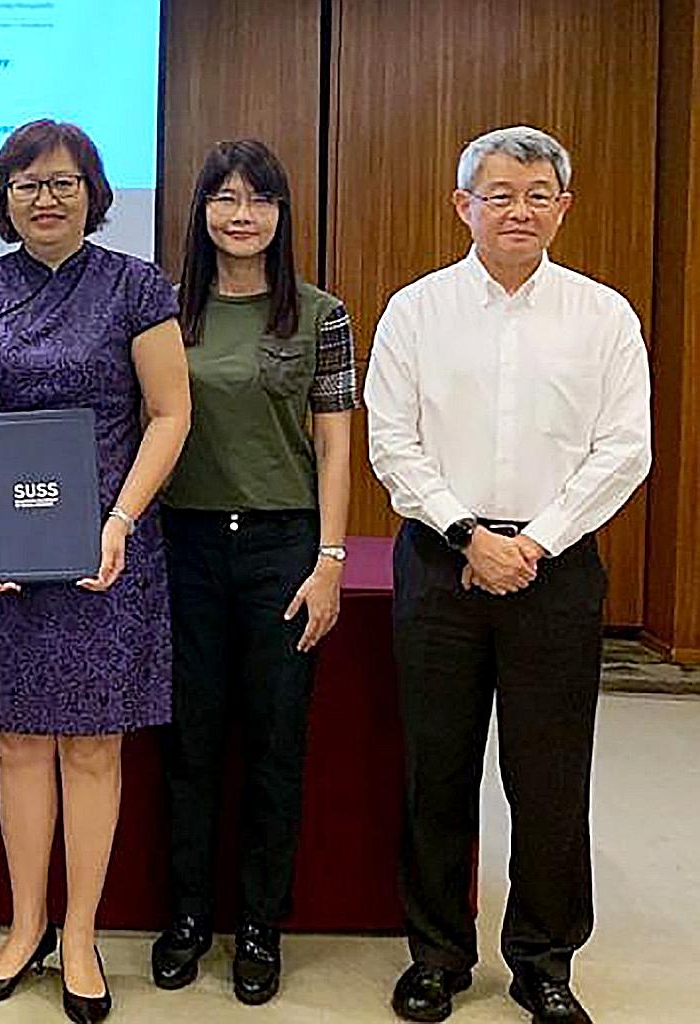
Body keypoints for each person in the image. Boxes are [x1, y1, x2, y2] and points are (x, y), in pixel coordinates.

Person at [366, 126, 650, 1024]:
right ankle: (438, 955)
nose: (517, 209)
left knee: (549, 774)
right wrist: (466, 534)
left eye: (536, 194)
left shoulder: (603, 316)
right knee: (436, 770)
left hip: (555, 570)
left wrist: (537, 541)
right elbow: (391, 441)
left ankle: (542, 958)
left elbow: (624, 449)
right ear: (464, 207)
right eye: (498, 194)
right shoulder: (415, 311)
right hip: (440, 562)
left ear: (562, 208)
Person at [0, 120, 191, 1023]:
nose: (46, 198)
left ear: (92, 190)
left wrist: (120, 519)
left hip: (107, 552)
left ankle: (81, 934)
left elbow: (169, 412)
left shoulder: (137, 286)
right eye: (27, 183)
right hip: (11, 552)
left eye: (63, 182)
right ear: (2, 196)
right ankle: (24, 926)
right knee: (14, 741)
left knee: (92, 746)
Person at [151, 139, 357, 1006]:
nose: (243, 215)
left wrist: (332, 560)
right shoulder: (163, 311)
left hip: (282, 548)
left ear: (280, 214)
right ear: (200, 213)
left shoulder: (319, 313)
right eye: (225, 199)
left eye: (260, 200)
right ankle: (190, 916)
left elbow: (336, 444)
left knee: (275, 746)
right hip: (184, 545)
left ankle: (261, 925)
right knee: (190, 742)